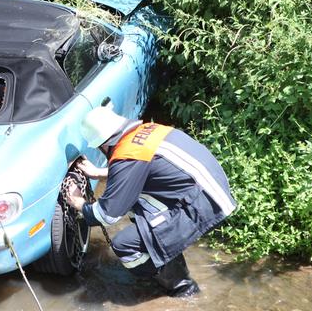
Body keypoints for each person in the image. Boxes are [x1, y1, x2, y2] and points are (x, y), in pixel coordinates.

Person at [65, 104, 236, 297]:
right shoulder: (144, 132)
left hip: (204, 202)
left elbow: (106, 216)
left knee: (124, 245)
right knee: (137, 208)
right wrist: (99, 173)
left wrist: (79, 202)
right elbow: (144, 168)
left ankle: (182, 289)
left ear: (104, 144)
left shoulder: (127, 155)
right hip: (211, 188)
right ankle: (166, 254)